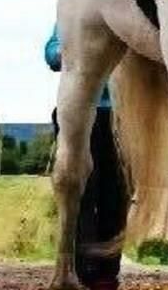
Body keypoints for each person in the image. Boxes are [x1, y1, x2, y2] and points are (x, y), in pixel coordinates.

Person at [45, 25, 128, 290]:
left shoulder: (128, 16)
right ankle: (82, 269)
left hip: (120, 115)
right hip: (78, 111)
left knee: (116, 196)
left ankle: (107, 272)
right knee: (81, 194)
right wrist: (71, 50)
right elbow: (51, 52)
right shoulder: (76, 12)